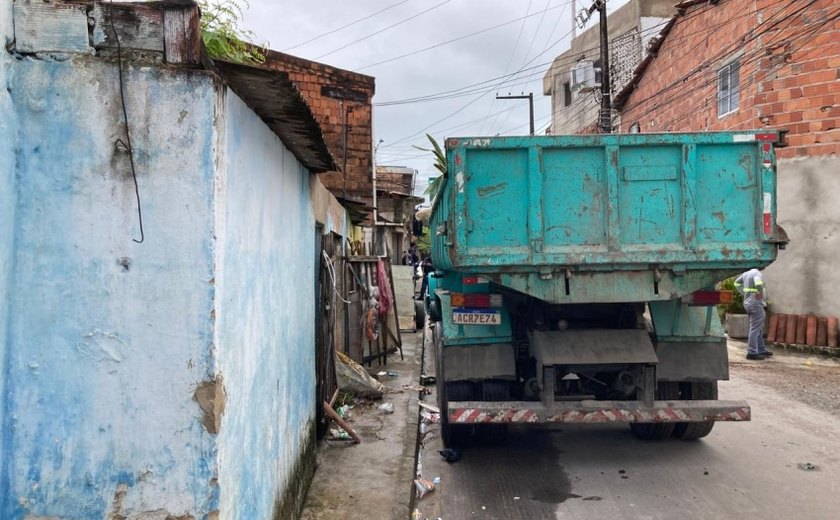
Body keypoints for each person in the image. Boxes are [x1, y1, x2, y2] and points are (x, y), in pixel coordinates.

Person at [734, 268, 773, 360]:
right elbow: (758, 283)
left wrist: (743, 292)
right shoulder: (757, 273)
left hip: (748, 301)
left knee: (758, 327)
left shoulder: (746, 273)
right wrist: (760, 293)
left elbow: (736, 283)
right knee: (755, 328)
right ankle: (751, 352)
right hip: (755, 302)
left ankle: (761, 349)